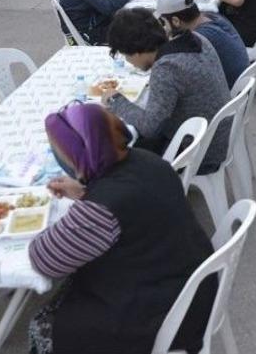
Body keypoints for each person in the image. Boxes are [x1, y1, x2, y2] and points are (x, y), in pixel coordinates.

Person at [27, 102, 215, 354]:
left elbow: (45, 261)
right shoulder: (146, 160)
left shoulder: (102, 208)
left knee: (43, 325)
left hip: (166, 310)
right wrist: (85, 191)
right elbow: (132, 202)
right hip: (191, 281)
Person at [103, 8, 232, 172]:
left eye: (126, 56)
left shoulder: (167, 68)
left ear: (136, 51)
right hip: (218, 136)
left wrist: (116, 100)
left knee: (118, 149)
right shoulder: (195, 38)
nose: (129, 62)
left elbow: (150, 127)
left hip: (202, 153)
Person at [156, 0, 249, 88]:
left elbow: (171, 67)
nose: (163, 26)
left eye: (163, 22)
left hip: (229, 91)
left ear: (176, 21)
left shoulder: (199, 39)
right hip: (240, 82)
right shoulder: (211, 16)